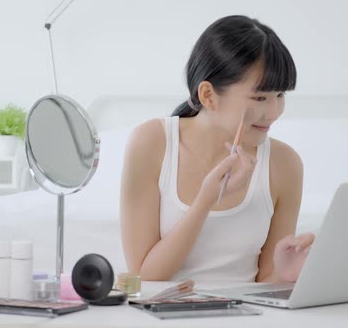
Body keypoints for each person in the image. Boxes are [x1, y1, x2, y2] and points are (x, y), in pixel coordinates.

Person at [120, 15, 315, 283]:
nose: (274, 112)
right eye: (260, 97)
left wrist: (284, 274)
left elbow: (265, 286)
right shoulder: (151, 143)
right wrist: (205, 202)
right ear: (208, 95)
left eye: (280, 96)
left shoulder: (285, 164)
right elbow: (145, 277)